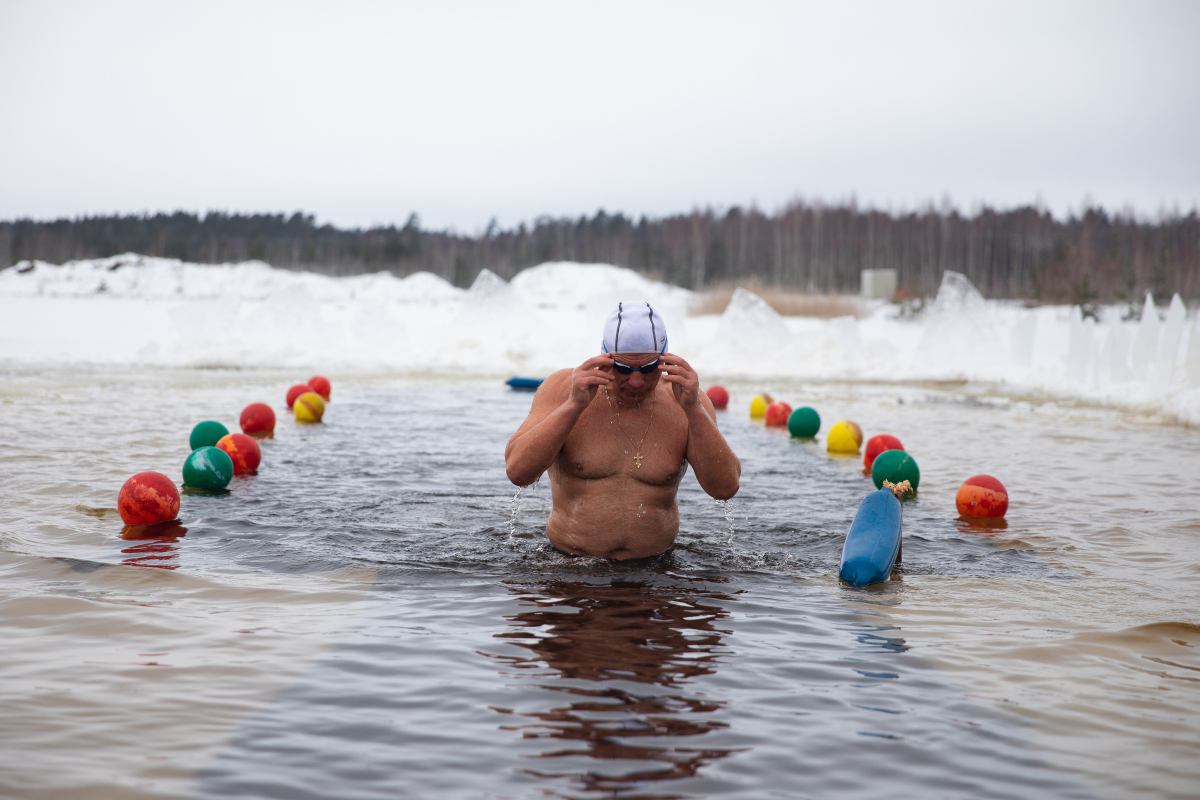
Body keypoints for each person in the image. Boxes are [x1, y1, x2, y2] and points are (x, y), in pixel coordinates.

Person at [505, 302, 740, 559]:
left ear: (665, 360)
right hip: (570, 568)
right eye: (624, 368)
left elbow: (725, 488)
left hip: (658, 574)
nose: (636, 381)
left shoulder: (687, 401)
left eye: (648, 368)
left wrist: (694, 410)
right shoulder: (562, 390)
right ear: (604, 358)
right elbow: (518, 472)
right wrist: (574, 406)